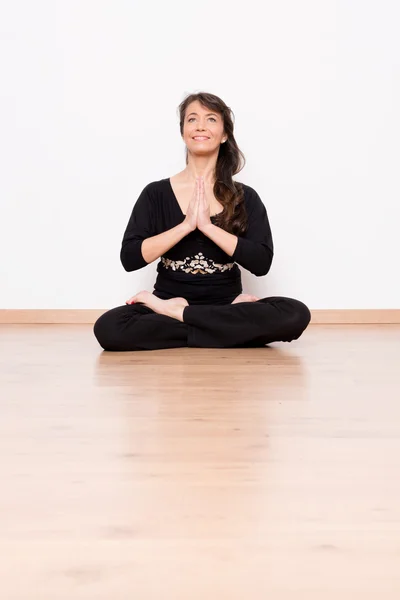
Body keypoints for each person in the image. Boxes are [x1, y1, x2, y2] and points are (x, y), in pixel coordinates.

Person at [93, 92, 311, 351]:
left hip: (226, 302)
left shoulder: (245, 196)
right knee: (109, 328)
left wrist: (207, 227)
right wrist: (185, 226)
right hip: (173, 301)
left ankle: (180, 316)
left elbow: (261, 262)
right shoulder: (155, 193)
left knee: (295, 313)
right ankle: (222, 329)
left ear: (224, 134)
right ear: (183, 131)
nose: (200, 126)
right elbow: (130, 258)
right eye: (192, 119)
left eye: (210, 119)